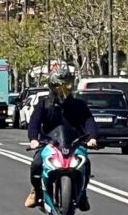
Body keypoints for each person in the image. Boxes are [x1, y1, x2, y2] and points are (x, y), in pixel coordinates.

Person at [25, 68, 98, 211]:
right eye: (59, 85)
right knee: (36, 163)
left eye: (67, 85)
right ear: (52, 86)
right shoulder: (44, 104)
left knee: (86, 164)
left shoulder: (79, 105)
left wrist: (92, 137)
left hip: (74, 144)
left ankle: (82, 194)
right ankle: (36, 191)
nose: (63, 89)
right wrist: (33, 139)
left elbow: (89, 122)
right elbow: (34, 123)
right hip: (49, 144)